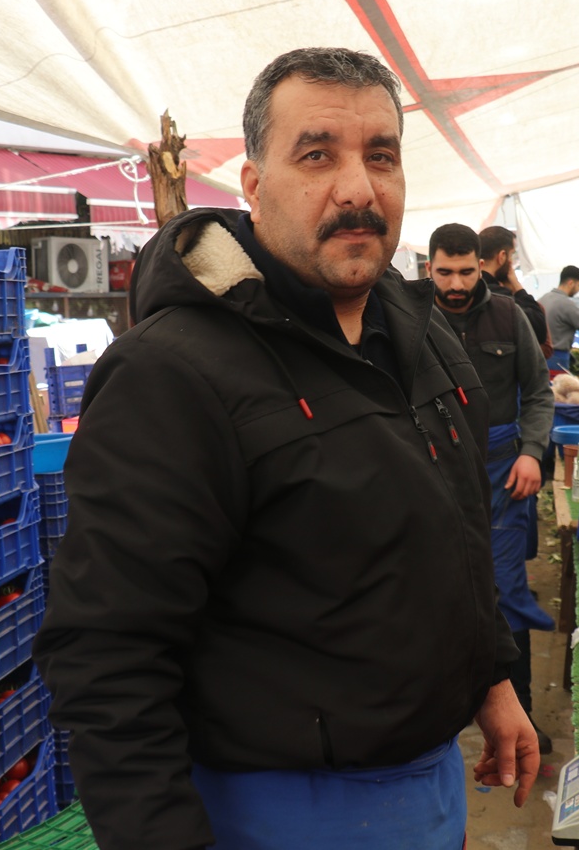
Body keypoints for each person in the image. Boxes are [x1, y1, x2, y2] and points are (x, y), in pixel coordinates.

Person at [33, 48, 537, 850]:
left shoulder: (417, 328)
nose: (358, 189)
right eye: (316, 155)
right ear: (255, 185)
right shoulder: (172, 372)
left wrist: (491, 676)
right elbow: (107, 656)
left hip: (430, 788)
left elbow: (455, 528)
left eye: (382, 157)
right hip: (272, 811)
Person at [427, 223, 556, 754]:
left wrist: (530, 452)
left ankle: (519, 711)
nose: (455, 283)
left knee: (503, 592)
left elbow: (541, 393)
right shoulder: (409, 316)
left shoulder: (509, 314)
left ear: (482, 264)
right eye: (444, 272)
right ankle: (442, 710)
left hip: (503, 471)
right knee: (436, 587)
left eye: (465, 271)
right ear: (429, 268)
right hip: (434, 468)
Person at [478, 225, 552, 358]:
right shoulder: (501, 297)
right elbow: (538, 330)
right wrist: (517, 286)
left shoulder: (471, 289)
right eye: (512, 254)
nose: (512, 262)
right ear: (502, 257)